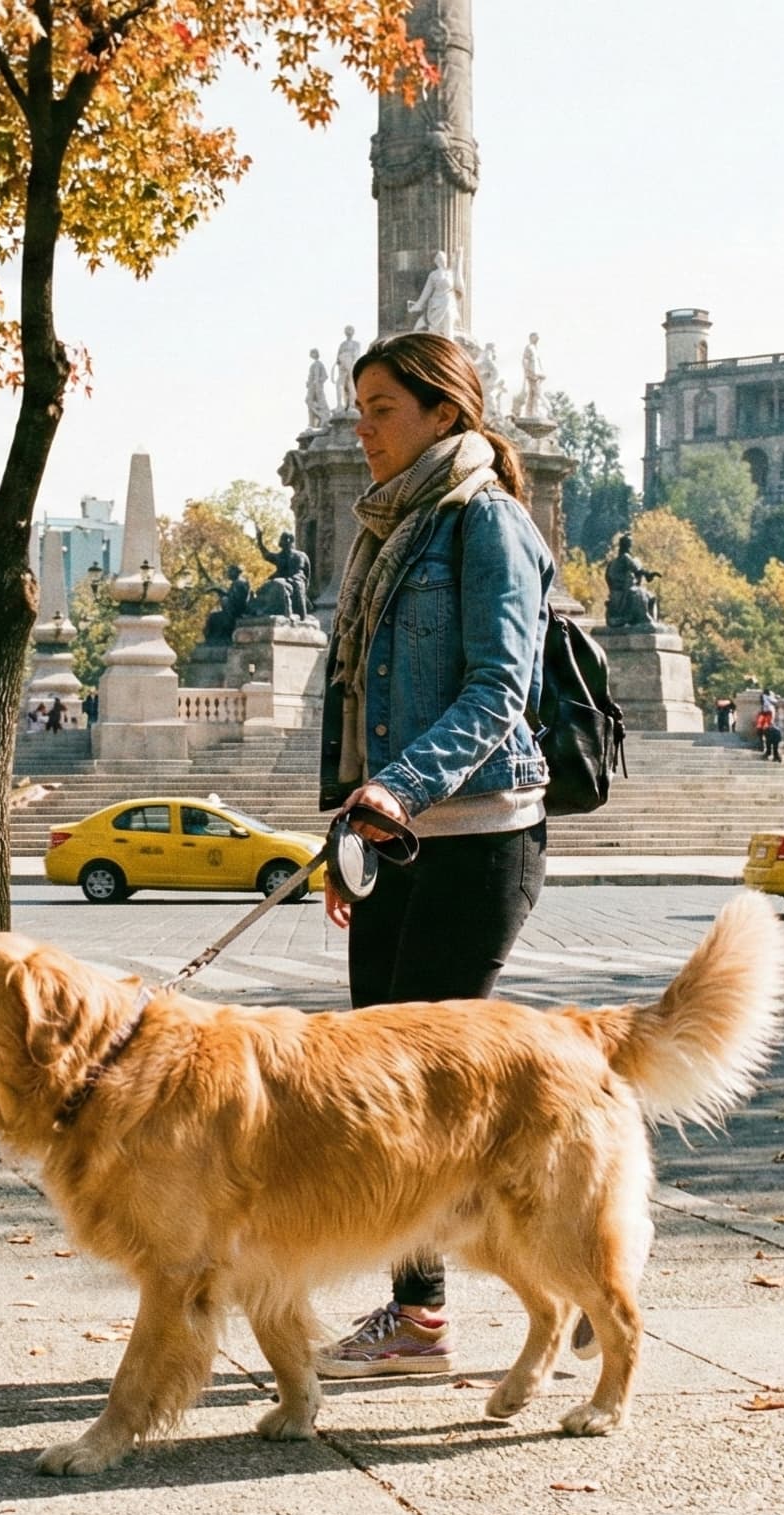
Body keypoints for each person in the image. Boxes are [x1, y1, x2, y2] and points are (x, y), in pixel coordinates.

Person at [314, 331, 554, 1380]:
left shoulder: (487, 522)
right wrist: (349, 831)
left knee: (424, 1094)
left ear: (443, 415)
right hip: (399, 842)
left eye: (380, 410)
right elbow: (359, 703)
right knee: (382, 1089)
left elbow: (497, 693)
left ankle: (440, 1317)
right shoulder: (388, 528)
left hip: (480, 837)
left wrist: (396, 790)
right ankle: (423, 1316)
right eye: (357, 408)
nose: (359, 428)